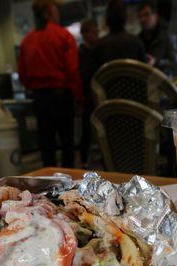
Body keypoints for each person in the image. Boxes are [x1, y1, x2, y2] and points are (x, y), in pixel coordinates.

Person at [18, 0, 83, 168]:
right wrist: (79, 98)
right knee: (67, 143)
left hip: (40, 98)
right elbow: (73, 71)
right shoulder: (64, 36)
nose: (58, 14)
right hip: (62, 96)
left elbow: (23, 76)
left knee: (46, 146)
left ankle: (48, 186)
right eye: (56, 10)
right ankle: (70, 185)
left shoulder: (27, 40)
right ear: (49, 12)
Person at [88, 0, 147, 74]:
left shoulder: (96, 47)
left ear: (106, 20)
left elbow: (92, 78)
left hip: (105, 85)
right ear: (125, 18)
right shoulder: (137, 43)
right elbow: (144, 74)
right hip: (132, 85)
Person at [137, 1, 177, 76]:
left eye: (146, 15)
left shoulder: (167, 38)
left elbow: (176, 65)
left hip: (161, 84)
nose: (143, 20)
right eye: (140, 16)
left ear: (156, 16)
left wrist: (156, 62)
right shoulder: (138, 39)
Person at [78, 19, 99, 166]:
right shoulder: (81, 52)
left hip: (95, 96)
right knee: (86, 130)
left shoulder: (97, 49)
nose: (96, 36)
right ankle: (84, 159)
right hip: (87, 96)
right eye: (93, 32)